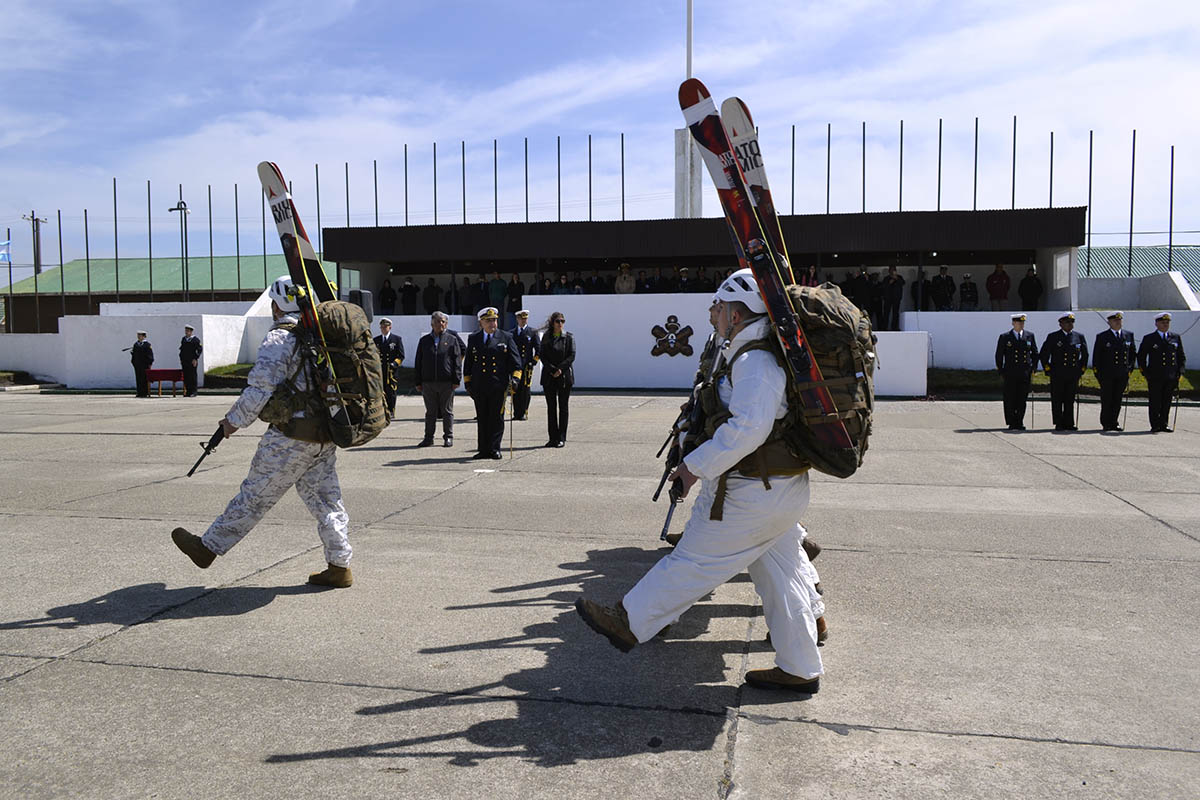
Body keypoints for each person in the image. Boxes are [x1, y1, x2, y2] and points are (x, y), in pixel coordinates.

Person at [574, 268, 825, 692]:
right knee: (781, 577)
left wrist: (694, 466)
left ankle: (629, 620)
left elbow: (749, 428)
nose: (716, 312)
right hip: (776, 491)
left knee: (693, 562)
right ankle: (800, 667)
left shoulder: (755, 360)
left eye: (721, 306)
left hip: (753, 494)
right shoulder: (751, 352)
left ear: (737, 311)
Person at [169, 275, 353, 588]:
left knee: (254, 496)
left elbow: (259, 389)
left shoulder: (280, 338)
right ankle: (340, 565)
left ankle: (207, 548)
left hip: (291, 437)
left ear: (277, 305)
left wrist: (232, 423)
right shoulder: (320, 335)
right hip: (324, 434)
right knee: (327, 501)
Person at [464, 307, 522, 459]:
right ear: (481, 322)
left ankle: (495, 448)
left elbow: (516, 363)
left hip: (498, 385)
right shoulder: (474, 338)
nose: (492, 323)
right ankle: (483, 449)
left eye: (494, 320)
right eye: (488, 320)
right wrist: (468, 382)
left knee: (496, 418)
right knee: (482, 417)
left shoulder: (506, 337)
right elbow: (468, 362)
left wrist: (515, 379)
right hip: (479, 385)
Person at [414, 311, 464, 447]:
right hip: (428, 383)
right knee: (431, 412)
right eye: (437, 321)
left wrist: (456, 379)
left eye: (443, 321)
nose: (440, 324)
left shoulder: (451, 339)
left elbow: (457, 362)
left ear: (446, 324)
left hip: (446, 382)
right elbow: (418, 362)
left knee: (447, 411)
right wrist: (418, 381)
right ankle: (428, 438)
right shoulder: (424, 341)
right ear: (432, 323)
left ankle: (448, 437)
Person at [1137, 312, 1186, 432]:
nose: (1165, 325)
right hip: (1155, 376)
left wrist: (1180, 372)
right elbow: (1141, 357)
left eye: (1167, 323)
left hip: (1171, 376)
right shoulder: (1149, 338)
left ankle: (1164, 423)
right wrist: (1145, 372)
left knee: (1166, 401)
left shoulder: (1175, 337)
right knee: (1155, 401)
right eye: (1163, 322)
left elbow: (1181, 356)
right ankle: (1155, 425)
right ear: (1156, 324)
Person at [1039, 312, 1088, 431]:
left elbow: (1085, 354)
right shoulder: (1053, 337)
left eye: (1072, 322)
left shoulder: (1078, 336)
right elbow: (1044, 354)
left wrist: (1081, 368)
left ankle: (1069, 422)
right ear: (1060, 324)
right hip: (1058, 373)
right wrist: (1048, 369)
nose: (1070, 324)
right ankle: (1059, 422)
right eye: (1067, 322)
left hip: (1072, 372)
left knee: (1069, 399)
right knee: (1057, 398)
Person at [1093, 311, 1137, 431]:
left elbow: (1132, 354)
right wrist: (1098, 374)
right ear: (1109, 322)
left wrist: (1129, 370)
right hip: (1107, 374)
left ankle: (1114, 422)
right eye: (1115, 320)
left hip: (1122, 374)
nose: (1118, 322)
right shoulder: (1102, 337)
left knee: (1117, 399)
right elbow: (1097, 357)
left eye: (1119, 320)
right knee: (1107, 399)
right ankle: (1106, 422)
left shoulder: (1128, 335)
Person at [995, 313, 1039, 430]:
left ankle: (1019, 421)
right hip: (1010, 372)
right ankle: (1011, 421)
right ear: (1013, 323)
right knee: (1010, 398)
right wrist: (1001, 370)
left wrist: (1034, 367)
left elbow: (1034, 353)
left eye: (1022, 323)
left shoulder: (1029, 336)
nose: (1021, 325)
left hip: (1024, 372)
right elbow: (999, 355)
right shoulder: (1005, 337)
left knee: (1021, 398)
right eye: (1018, 322)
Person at [539, 311, 575, 448]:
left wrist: (560, 369)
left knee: (563, 408)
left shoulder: (569, 337)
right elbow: (542, 355)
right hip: (549, 376)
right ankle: (552, 437)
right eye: (558, 321)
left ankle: (561, 438)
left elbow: (571, 356)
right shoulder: (547, 337)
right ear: (552, 323)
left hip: (564, 376)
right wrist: (552, 369)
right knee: (551, 408)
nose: (560, 324)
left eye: (562, 321)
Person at [509, 310, 541, 421]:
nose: (523, 321)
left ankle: (523, 411)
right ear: (517, 319)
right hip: (515, 366)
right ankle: (516, 412)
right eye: (521, 319)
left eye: (525, 319)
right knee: (515, 388)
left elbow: (538, 349)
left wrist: (533, 361)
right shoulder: (511, 333)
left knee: (525, 389)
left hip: (527, 365)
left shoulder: (532, 332)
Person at [374, 318, 405, 419]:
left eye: (385, 327)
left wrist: (395, 364)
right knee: (380, 392)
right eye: (381, 327)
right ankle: (382, 411)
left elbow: (401, 356)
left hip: (390, 372)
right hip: (380, 371)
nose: (383, 329)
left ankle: (391, 411)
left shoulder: (396, 339)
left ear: (389, 327)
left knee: (391, 392)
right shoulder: (376, 340)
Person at [179, 324, 202, 397]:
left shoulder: (195, 340)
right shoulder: (184, 339)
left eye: (188, 331)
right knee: (186, 376)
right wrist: (181, 358)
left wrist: (195, 358)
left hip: (192, 361)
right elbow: (182, 350)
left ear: (191, 332)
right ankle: (188, 391)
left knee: (192, 376)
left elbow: (199, 350)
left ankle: (193, 391)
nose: (186, 332)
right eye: (186, 331)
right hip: (185, 360)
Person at [131, 330, 154, 397]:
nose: (138, 336)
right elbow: (134, 355)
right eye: (138, 335)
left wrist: (149, 363)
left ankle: (145, 392)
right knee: (138, 378)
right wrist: (133, 362)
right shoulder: (136, 344)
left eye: (140, 335)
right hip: (137, 364)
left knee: (144, 379)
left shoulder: (147, 345)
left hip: (145, 365)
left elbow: (150, 355)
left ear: (144, 336)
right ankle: (139, 392)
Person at [881, 266, 905, 330]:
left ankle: (894, 327)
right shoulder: (886, 278)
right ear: (889, 271)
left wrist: (896, 278)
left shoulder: (899, 277)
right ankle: (884, 327)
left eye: (894, 270)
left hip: (896, 298)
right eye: (891, 270)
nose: (892, 271)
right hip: (888, 298)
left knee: (895, 313)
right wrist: (889, 283)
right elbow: (883, 287)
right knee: (886, 313)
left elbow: (903, 283)